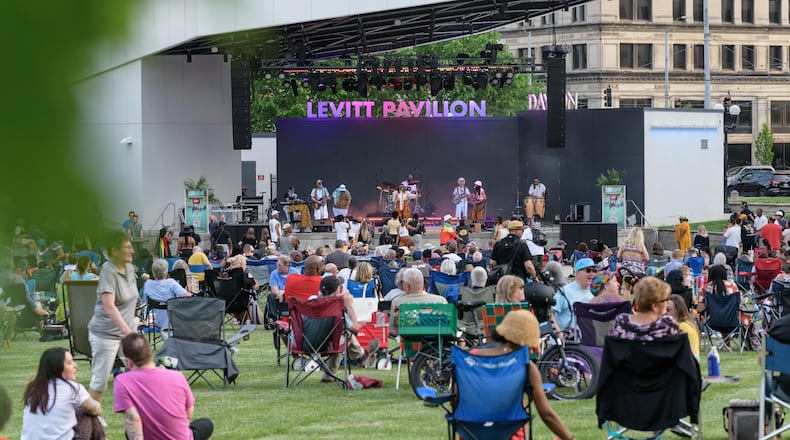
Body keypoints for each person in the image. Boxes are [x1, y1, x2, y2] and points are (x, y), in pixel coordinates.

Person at [469, 310, 574, 440]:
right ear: (529, 341)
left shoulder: (470, 359)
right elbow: (547, 415)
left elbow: (455, 401)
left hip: (471, 434)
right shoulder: (526, 367)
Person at [114, 333, 213, 440]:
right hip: (180, 437)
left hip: (146, 435)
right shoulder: (177, 376)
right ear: (150, 355)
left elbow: (133, 419)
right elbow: (189, 413)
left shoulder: (123, 381)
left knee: (129, 429)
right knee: (206, 424)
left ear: (129, 362)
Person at [87, 230, 139, 403]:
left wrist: (134, 322)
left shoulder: (130, 269)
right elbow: (109, 306)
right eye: (127, 247)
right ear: (115, 251)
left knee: (140, 374)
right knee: (100, 382)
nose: (131, 250)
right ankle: (89, 417)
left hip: (127, 332)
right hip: (106, 334)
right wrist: (128, 332)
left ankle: (137, 414)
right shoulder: (107, 272)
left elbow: (131, 298)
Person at [21, 347, 103, 440]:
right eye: (70, 363)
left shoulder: (33, 388)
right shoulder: (72, 388)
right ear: (57, 368)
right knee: (87, 413)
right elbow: (96, 409)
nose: (75, 365)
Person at [318, 277, 380, 379]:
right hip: (328, 344)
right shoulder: (335, 308)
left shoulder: (310, 302)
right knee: (343, 333)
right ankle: (360, 355)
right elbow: (355, 329)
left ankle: (329, 375)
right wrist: (349, 306)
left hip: (307, 343)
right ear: (337, 291)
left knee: (337, 333)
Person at [610, 276, 681, 341]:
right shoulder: (668, 325)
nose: (668, 302)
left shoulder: (622, 322)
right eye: (666, 299)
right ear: (654, 306)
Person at [143, 259, 191, 334]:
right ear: (166, 272)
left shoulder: (148, 284)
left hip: (157, 321)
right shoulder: (171, 282)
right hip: (174, 321)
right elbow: (187, 295)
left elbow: (146, 302)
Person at [391, 268, 448, 332]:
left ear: (408, 286)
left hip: (408, 337)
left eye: (402, 283)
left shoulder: (397, 303)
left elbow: (395, 328)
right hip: (437, 337)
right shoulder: (441, 301)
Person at [551, 258, 595, 334]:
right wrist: (558, 333)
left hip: (587, 338)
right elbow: (550, 312)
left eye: (594, 270)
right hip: (566, 338)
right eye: (588, 270)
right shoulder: (565, 291)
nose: (592, 274)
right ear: (577, 273)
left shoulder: (595, 291)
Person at [666, 294, 700, 360]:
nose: (664, 313)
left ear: (678, 310)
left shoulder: (682, 326)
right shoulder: (686, 324)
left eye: (668, 310)